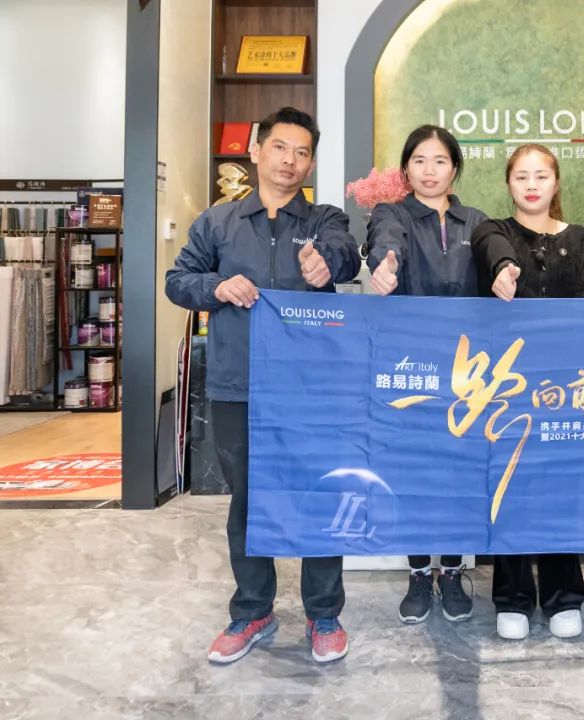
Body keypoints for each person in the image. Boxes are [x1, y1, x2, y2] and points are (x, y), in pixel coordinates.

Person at [165, 107, 361, 664]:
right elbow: (177, 280)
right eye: (279, 148)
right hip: (239, 384)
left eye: (301, 152)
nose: (289, 161)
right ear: (255, 151)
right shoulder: (218, 222)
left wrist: (326, 265)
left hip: (312, 389)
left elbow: (347, 256)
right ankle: (252, 610)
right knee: (248, 503)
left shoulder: (324, 219)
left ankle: (324, 613)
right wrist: (217, 286)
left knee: (320, 495)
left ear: (311, 162)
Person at [470, 144, 584, 640]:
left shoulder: (580, 239)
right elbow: (489, 247)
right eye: (521, 176)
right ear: (508, 183)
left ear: (556, 183)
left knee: (561, 487)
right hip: (508, 388)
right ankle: (513, 598)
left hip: (562, 386)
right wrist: (504, 270)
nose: (531, 184)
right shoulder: (494, 230)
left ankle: (564, 595)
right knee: (510, 489)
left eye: (541, 175)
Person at [366, 124, 487, 625]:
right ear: (405, 169)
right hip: (410, 366)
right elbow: (385, 244)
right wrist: (385, 265)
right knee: (413, 471)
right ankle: (418, 571)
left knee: (458, 472)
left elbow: (495, 260)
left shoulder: (476, 221)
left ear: (454, 168)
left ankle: (453, 570)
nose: (429, 170)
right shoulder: (392, 214)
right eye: (419, 160)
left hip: (465, 371)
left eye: (439, 161)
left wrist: (506, 273)